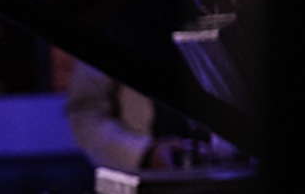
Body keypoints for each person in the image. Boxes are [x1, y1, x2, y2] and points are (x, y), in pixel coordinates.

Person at [65, 59, 236, 172]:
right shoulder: (110, 21)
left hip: (231, 165)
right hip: (149, 177)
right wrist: (145, 153)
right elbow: (85, 113)